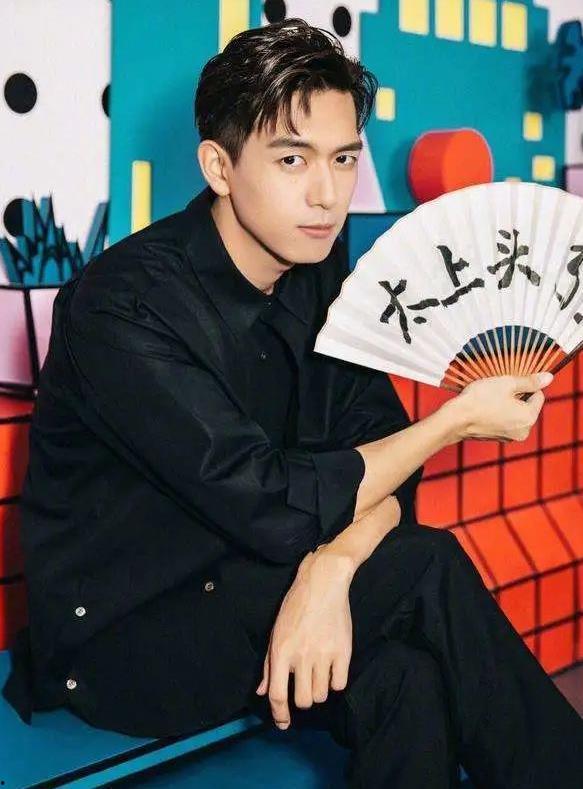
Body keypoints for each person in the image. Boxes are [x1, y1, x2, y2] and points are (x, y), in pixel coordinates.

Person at [3, 17, 583, 788]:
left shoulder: (317, 273)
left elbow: (384, 455)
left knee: (404, 678)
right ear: (218, 166)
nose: (326, 193)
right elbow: (270, 501)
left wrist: (332, 568)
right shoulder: (122, 306)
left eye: (342, 159)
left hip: (267, 572)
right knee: (425, 567)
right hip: (127, 631)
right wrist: (452, 422)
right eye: (291, 159)